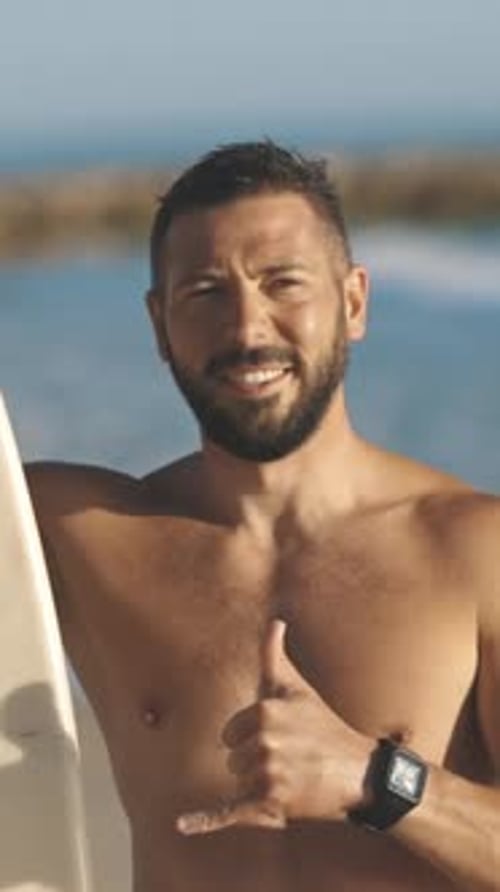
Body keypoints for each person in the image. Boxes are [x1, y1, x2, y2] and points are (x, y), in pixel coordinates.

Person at [27, 141, 499, 892]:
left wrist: (379, 780)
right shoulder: (77, 531)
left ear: (352, 303)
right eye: (205, 292)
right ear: (159, 325)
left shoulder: (476, 551)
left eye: (283, 283)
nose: (247, 329)